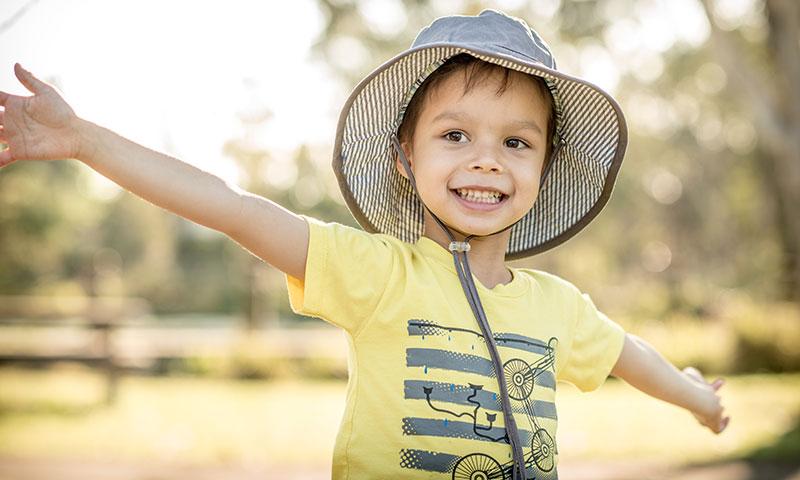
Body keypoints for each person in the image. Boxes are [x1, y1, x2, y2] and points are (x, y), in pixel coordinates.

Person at [0, 9, 729, 480]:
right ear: (406, 159)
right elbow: (230, 208)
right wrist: (85, 141)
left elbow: (633, 357)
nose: (485, 159)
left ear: (543, 168)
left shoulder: (558, 308)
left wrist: (700, 398)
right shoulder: (376, 274)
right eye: (454, 136)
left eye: (515, 141)